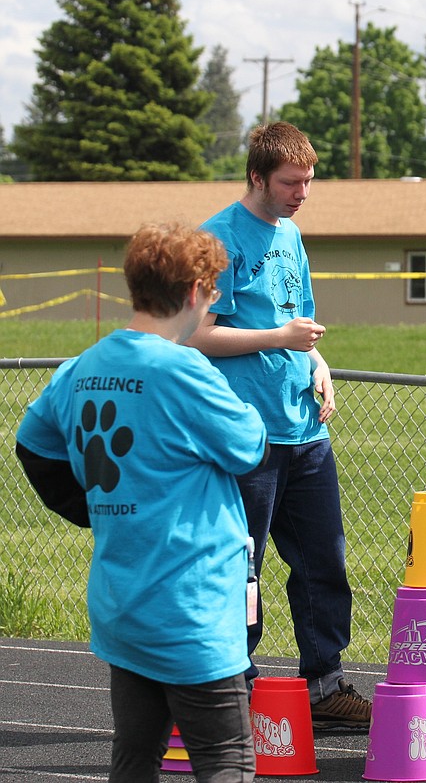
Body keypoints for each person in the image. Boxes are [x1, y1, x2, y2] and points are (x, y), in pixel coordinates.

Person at [15, 222, 268, 782]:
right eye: (216, 289)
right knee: (226, 757)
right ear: (196, 291)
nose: (218, 300)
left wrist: (86, 505)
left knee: (135, 756)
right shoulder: (183, 370)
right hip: (190, 605)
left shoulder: (85, 365)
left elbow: (32, 442)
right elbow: (249, 446)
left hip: (123, 603)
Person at [186, 121, 370, 731]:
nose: (302, 194)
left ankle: (325, 684)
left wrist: (318, 364)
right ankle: (232, 686)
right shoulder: (218, 237)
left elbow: (300, 320)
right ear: (257, 177)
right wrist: (281, 339)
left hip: (305, 431)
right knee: (244, 567)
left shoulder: (291, 235)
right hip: (246, 434)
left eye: (309, 182)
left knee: (324, 561)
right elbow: (198, 335)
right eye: (292, 183)